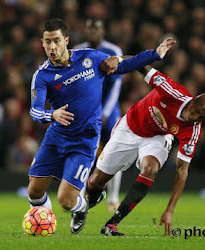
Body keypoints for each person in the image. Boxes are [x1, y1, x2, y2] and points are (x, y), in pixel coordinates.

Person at [27, 18, 176, 234]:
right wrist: (52, 114)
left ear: (66, 40)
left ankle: (82, 207)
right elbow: (35, 110)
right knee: (33, 191)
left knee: (66, 201)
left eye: (56, 40)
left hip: (84, 140)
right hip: (56, 137)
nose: (52, 47)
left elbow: (124, 64)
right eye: (47, 41)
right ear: (42, 43)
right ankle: (43, 224)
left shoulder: (90, 58)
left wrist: (155, 54)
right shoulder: (42, 76)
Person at [84, 65, 205, 236]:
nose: (195, 117)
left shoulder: (193, 130)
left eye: (201, 118)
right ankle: (94, 197)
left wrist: (170, 210)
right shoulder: (171, 91)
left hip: (158, 136)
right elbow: (141, 66)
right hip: (131, 126)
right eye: (196, 111)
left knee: (151, 168)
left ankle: (112, 224)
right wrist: (118, 60)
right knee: (96, 181)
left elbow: (182, 170)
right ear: (193, 100)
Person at [73, 18, 123, 212]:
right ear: (85, 30)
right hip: (87, 108)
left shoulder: (114, 51)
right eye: (90, 28)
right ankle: (79, 194)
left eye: (97, 29)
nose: (93, 32)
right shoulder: (78, 50)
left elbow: (116, 84)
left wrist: (107, 111)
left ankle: (113, 197)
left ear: (103, 31)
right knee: (84, 150)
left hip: (108, 110)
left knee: (114, 151)